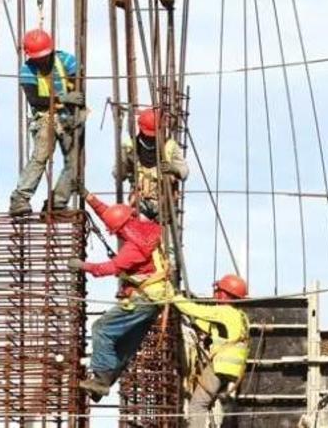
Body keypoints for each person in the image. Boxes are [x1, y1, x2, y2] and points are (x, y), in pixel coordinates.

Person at [67, 191, 173, 400]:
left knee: (102, 329)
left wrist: (82, 265)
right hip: (155, 301)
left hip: (143, 299)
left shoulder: (134, 248)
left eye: (116, 232)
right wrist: (89, 198)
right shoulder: (146, 229)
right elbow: (111, 214)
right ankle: (103, 382)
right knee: (125, 346)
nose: (116, 235)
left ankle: (100, 380)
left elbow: (108, 268)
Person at [10, 29, 85, 215]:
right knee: (40, 157)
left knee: (75, 162)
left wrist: (72, 102)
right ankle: (20, 199)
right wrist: (62, 99)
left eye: (44, 56)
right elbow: (34, 100)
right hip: (45, 117)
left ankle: (57, 203)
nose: (41, 60)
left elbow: (78, 89)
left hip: (68, 117)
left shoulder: (67, 61)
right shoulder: (27, 70)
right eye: (37, 57)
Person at [173, 275, 251, 428]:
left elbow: (195, 310)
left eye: (219, 290)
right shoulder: (242, 317)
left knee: (198, 405)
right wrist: (194, 322)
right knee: (216, 404)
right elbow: (215, 329)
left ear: (225, 294)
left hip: (221, 367)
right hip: (235, 371)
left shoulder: (223, 311)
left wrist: (174, 297)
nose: (216, 294)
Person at [114, 107, 188, 220]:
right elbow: (118, 174)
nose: (150, 138)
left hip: (164, 205)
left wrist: (172, 168)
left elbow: (184, 172)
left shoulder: (170, 146)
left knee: (161, 227)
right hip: (139, 202)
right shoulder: (130, 146)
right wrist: (124, 161)